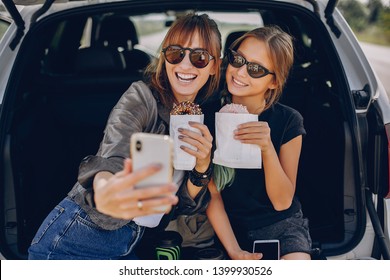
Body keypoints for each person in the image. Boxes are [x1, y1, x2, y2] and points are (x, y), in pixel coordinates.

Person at [28, 13, 222, 260]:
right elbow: (112, 155)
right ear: (165, 57)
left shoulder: (202, 118)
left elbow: (181, 203)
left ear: (215, 65)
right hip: (73, 242)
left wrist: (202, 167)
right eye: (176, 53)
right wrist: (106, 189)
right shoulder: (141, 98)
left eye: (199, 57)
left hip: (129, 246)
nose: (185, 65)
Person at [207, 26, 312, 260]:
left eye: (255, 69)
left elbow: (282, 201)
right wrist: (235, 251)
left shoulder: (288, 121)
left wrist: (266, 148)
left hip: (279, 225)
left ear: (274, 82)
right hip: (224, 228)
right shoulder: (208, 115)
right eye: (238, 60)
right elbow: (212, 195)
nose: (240, 72)